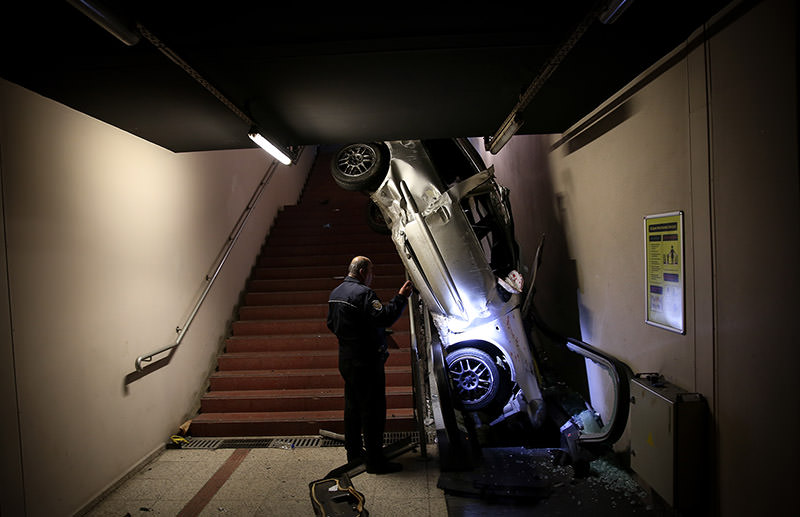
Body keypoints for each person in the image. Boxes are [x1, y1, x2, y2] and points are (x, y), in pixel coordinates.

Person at [327, 255, 413, 474]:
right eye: (372, 272)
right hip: (366, 362)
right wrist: (401, 298)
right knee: (373, 412)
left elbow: (331, 324)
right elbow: (383, 317)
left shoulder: (336, 293)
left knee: (352, 409)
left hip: (346, 360)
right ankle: (376, 462)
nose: (372, 276)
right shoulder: (364, 294)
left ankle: (354, 455)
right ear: (364, 271)